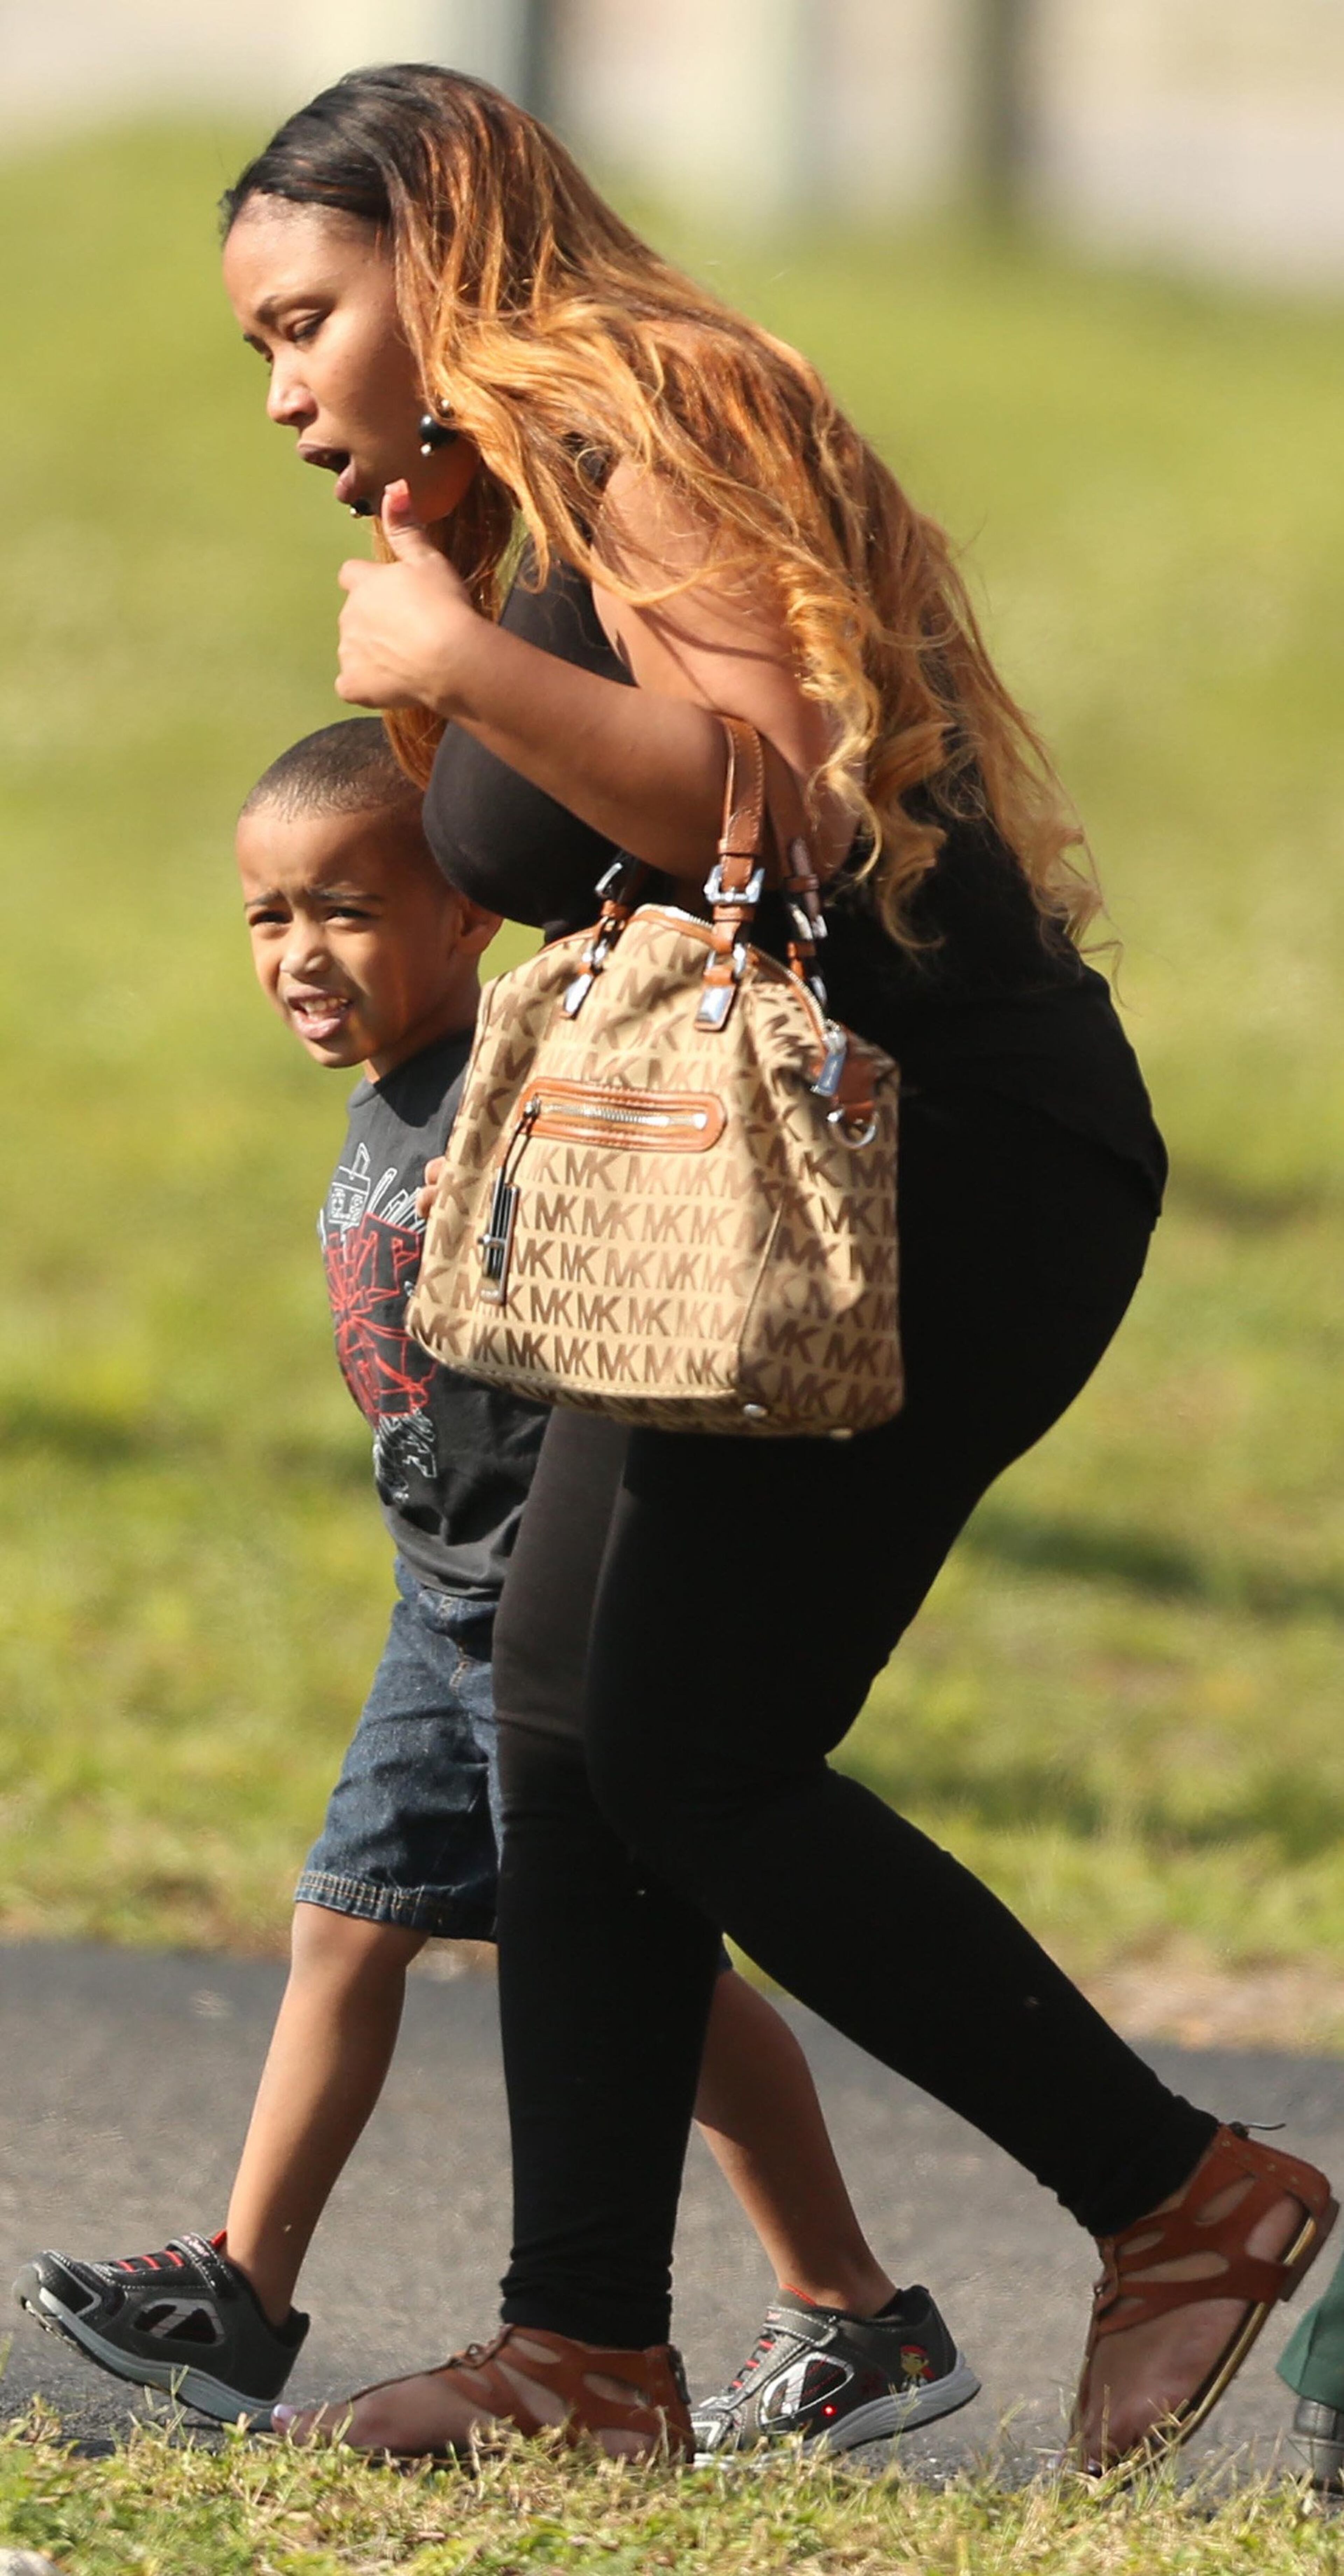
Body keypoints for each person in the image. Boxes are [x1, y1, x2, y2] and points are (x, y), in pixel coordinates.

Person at [217, 67, 1335, 2470]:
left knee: (688, 1749)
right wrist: (466, 593)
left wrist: (460, 648)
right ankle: (585, 2350)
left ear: (443, 253)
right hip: (752, 1198)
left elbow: (795, 797)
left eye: (309, 320)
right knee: (552, 1707)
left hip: (955, 1161)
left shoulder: (662, 406)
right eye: (261, 352)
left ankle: (1184, 2196)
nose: (289, 386)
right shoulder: (533, 485)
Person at [14, 720, 976, 2451]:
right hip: (435, 1588)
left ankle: (853, 2304)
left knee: (632, 1967)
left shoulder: (525, 1059)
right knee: (348, 1921)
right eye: (266, 917)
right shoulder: (391, 1096)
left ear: (471, 912)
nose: (302, 954)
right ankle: (243, 2295)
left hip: (551, 1602)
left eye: (349, 909)